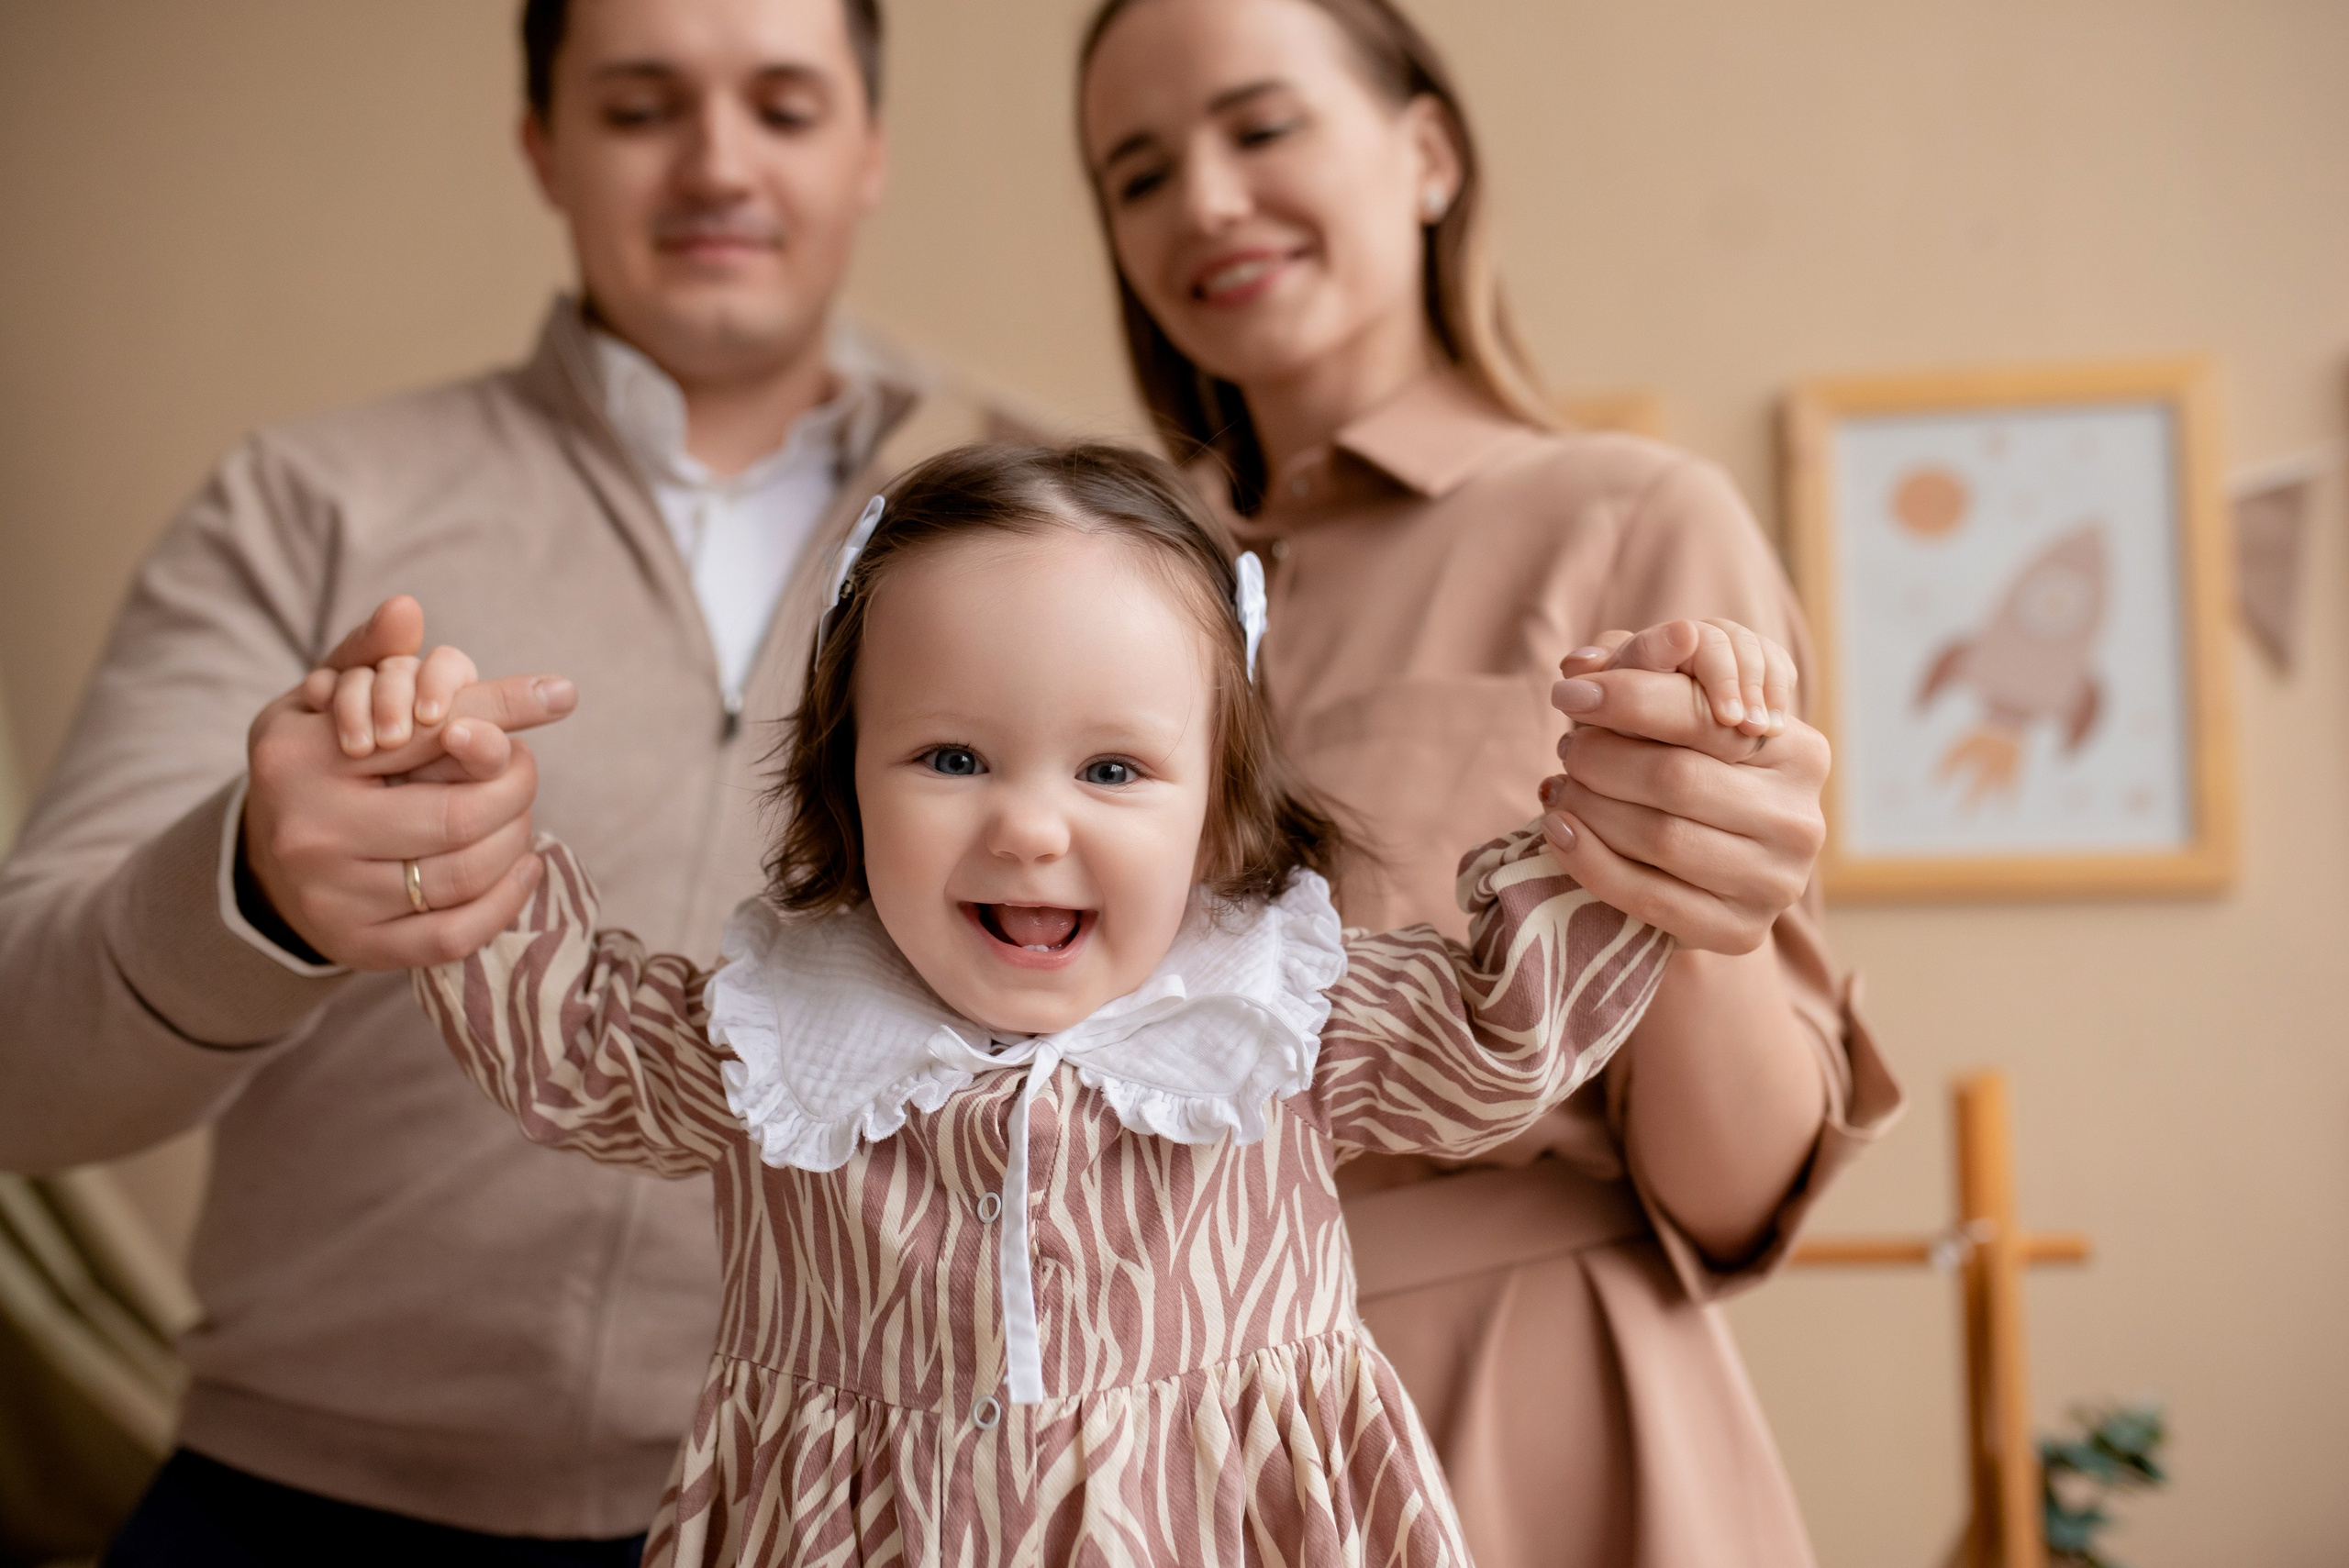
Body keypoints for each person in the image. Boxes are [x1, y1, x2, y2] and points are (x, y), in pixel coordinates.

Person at [304, 441, 1758, 1566]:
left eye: (1114, 770)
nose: (1031, 827)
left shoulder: (1282, 1018)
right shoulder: (772, 1035)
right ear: (846, 781)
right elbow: (567, 1041)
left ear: (1217, 806)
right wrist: (440, 815)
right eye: (951, 758)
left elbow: (1509, 1032)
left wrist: (1648, 792)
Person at [0, 0, 1035, 1558]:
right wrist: (255, 889)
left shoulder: (1049, 550)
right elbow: (22, 1068)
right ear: (543, 146)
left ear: (870, 150)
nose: (717, 165)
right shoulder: (308, 504)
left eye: (783, 105)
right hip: (297, 1505)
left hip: (840, 1517)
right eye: (640, 107)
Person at [1074, 1, 1904, 1563]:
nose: (1207, 201)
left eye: (1262, 127)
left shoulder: (1631, 522)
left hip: (1526, 1419)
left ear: (1429, 154)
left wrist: (1692, 907)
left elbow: (1739, 1200)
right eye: (1140, 173)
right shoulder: (1083, 589)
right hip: (1149, 1436)